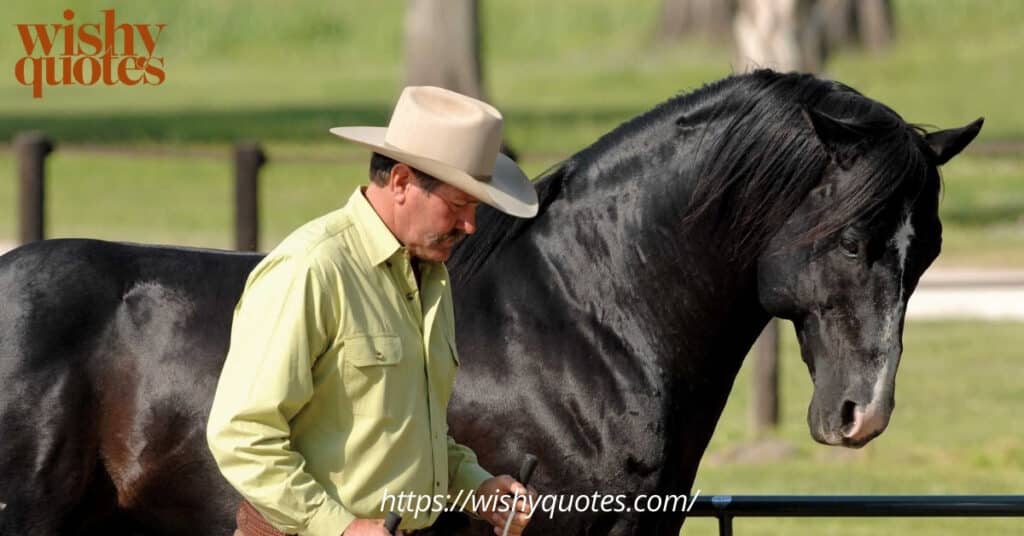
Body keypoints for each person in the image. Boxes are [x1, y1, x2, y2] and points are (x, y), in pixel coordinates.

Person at [207, 86, 539, 536]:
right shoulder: (313, 269)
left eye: (475, 208)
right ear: (401, 182)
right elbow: (241, 435)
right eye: (458, 205)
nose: (470, 226)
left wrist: (476, 489)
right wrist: (338, 527)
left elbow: (408, 430)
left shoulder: (429, 276)